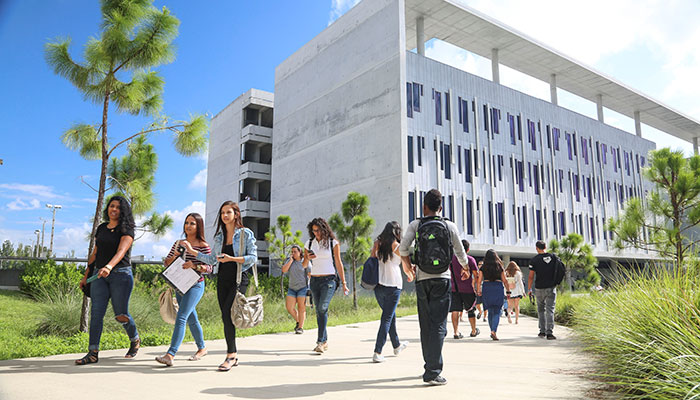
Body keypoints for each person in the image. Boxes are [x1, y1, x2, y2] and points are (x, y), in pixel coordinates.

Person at [399, 189, 469, 386]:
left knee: (426, 325)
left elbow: (402, 249)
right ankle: (432, 371)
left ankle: (429, 365)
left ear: (424, 207)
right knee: (439, 325)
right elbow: (460, 251)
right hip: (442, 279)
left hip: (422, 280)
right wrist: (465, 268)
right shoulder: (448, 225)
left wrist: (408, 268)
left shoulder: (416, 224)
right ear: (441, 208)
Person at [181, 201, 257, 371]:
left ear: (236, 214)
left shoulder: (245, 234)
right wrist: (192, 251)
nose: (224, 215)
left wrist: (231, 259)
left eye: (228, 212)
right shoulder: (219, 237)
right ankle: (233, 355)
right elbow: (211, 260)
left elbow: (253, 258)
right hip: (222, 278)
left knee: (228, 313)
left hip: (239, 277)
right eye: (222, 212)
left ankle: (230, 356)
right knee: (225, 316)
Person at [76, 195, 139, 365]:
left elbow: (121, 251)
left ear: (123, 211)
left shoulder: (126, 229)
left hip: (120, 275)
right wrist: (87, 274)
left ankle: (134, 339)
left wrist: (109, 266)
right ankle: (92, 352)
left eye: (118, 207)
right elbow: (95, 253)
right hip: (99, 275)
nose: (114, 209)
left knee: (120, 314)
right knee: (96, 314)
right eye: (111, 206)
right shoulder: (102, 228)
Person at [155, 213, 212, 367]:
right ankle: (202, 348)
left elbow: (210, 267)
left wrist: (194, 265)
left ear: (198, 226)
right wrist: (175, 256)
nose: (188, 226)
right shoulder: (178, 243)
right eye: (187, 223)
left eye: (192, 223)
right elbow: (166, 263)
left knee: (181, 317)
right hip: (179, 285)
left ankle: (170, 354)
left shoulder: (203, 245)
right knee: (192, 318)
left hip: (195, 285)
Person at [304, 217, 349, 354]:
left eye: (318, 230)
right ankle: (324, 341)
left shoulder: (332, 243)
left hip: (329, 280)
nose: (316, 233)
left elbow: (339, 263)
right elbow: (304, 265)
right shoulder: (309, 243)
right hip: (314, 281)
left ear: (324, 229)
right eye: (313, 231)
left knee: (322, 308)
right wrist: (307, 258)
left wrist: (344, 283)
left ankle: (320, 342)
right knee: (319, 310)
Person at [371, 221, 414, 363]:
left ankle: (396, 346)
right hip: (393, 286)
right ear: (397, 232)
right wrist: (410, 274)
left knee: (390, 316)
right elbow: (406, 263)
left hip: (378, 286)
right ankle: (377, 351)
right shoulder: (396, 245)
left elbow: (372, 260)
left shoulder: (378, 244)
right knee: (387, 319)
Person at [475, 249, 510, 341]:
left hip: (487, 287)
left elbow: (479, 280)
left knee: (490, 310)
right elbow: (505, 280)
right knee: (497, 311)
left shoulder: (483, 267)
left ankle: (492, 330)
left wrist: (478, 290)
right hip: (497, 287)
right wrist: (508, 291)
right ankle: (494, 330)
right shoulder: (499, 266)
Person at [527, 240, 558, 340]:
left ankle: (542, 331)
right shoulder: (553, 257)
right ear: (545, 247)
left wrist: (529, 288)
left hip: (539, 288)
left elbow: (531, 276)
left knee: (541, 310)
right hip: (551, 287)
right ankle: (550, 333)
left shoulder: (534, 260)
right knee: (550, 310)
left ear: (537, 248)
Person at [450, 239, 479, 339]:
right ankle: (473, 331)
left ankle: (456, 332)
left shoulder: (451, 259)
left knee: (455, 310)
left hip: (454, 289)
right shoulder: (470, 260)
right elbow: (476, 275)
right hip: (468, 290)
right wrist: (476, 287)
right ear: (468, 249)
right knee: (471, 310)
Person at [281, 245, 309, 334]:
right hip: (292, 288)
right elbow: (284, 270)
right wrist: (290, 261)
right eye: (292, 252)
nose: (293, 253)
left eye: (295, 252)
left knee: (301, 307)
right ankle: (298, 321)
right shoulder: (290, 261)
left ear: (300, 252)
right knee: (289, 307)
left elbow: (310, 273)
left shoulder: (304, 261)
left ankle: (300, 327)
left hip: (302, 288)